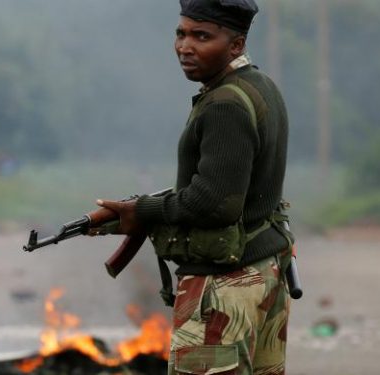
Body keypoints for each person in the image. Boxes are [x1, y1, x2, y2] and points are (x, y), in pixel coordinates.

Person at [98, 0, 293, 373]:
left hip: (222, 289)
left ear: (235, 45)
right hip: (263, 272)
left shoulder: (224, 104)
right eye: (181, 34)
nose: (185, 47)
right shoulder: (261, 86)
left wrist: (141, 212)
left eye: (202, 36)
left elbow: (214, 202)